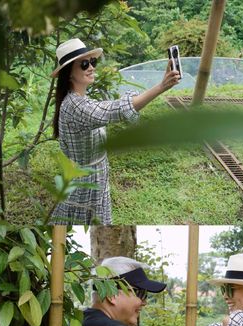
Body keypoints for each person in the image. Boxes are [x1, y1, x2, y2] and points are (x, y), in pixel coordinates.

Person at [49, 38, 180, 224]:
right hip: (85, 182)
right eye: (84, 64)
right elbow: (114, 110)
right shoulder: (75, 106)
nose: (91, 67)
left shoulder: (78, 100)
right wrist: (161, 87)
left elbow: (107, 110)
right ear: (68, 73)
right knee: (83, 221)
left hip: (95, 176)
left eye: (92, 62)